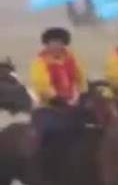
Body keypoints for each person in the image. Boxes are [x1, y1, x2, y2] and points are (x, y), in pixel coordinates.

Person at [30, 27, 88, 155]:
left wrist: (80, 93)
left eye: (59, 42)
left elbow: (81, 78)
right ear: (47, 44)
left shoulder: (72, 59)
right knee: (48, 130)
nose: (56, 46)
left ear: (64, 44)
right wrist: (57, 98)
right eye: (52, 42)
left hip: (73, 102)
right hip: (49, 106)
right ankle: (40, 158)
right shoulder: (40, 62)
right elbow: (41, 84)